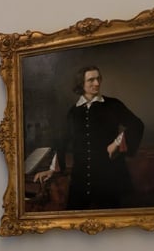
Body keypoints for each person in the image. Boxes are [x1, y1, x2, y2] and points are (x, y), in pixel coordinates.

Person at [35, 65, 144, 210]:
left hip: (109, 177)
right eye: (91, 80)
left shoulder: (113, 105)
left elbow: (137, 125)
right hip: (80, 179)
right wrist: (52, 169)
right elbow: (62, 141)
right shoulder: (73, 112)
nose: (97, 83)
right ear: (81, 83)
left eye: (98, 79)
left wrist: (117, 143)